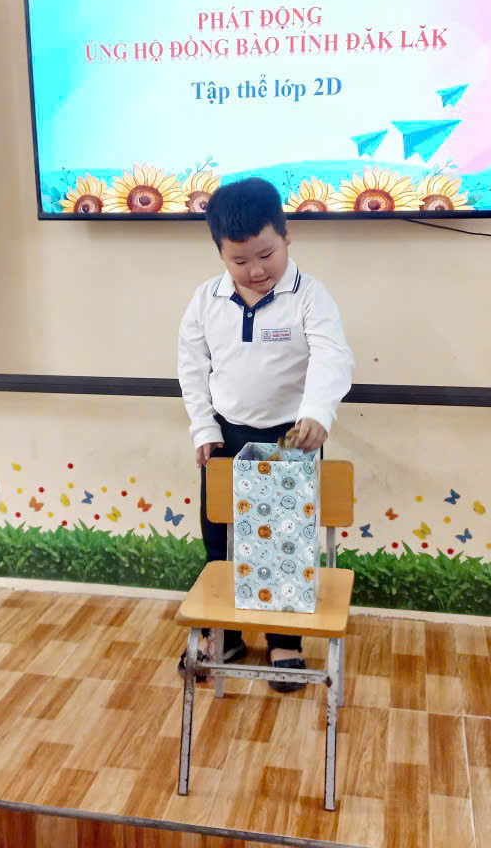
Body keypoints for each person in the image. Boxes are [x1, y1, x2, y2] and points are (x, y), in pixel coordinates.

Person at [177, 177, 354, 691]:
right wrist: (202, 427)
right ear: (220, 253)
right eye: (240, 260)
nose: (256, 270)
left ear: (287, 235)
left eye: (266, 255)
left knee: (284, 545)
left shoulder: (310, 297)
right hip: (226, 437)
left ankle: (284, 642)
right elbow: (192, 368)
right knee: (222, 543)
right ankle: (225, 635)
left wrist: (317, 413)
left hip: (290, 438)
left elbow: (332, 357)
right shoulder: (205, 300)